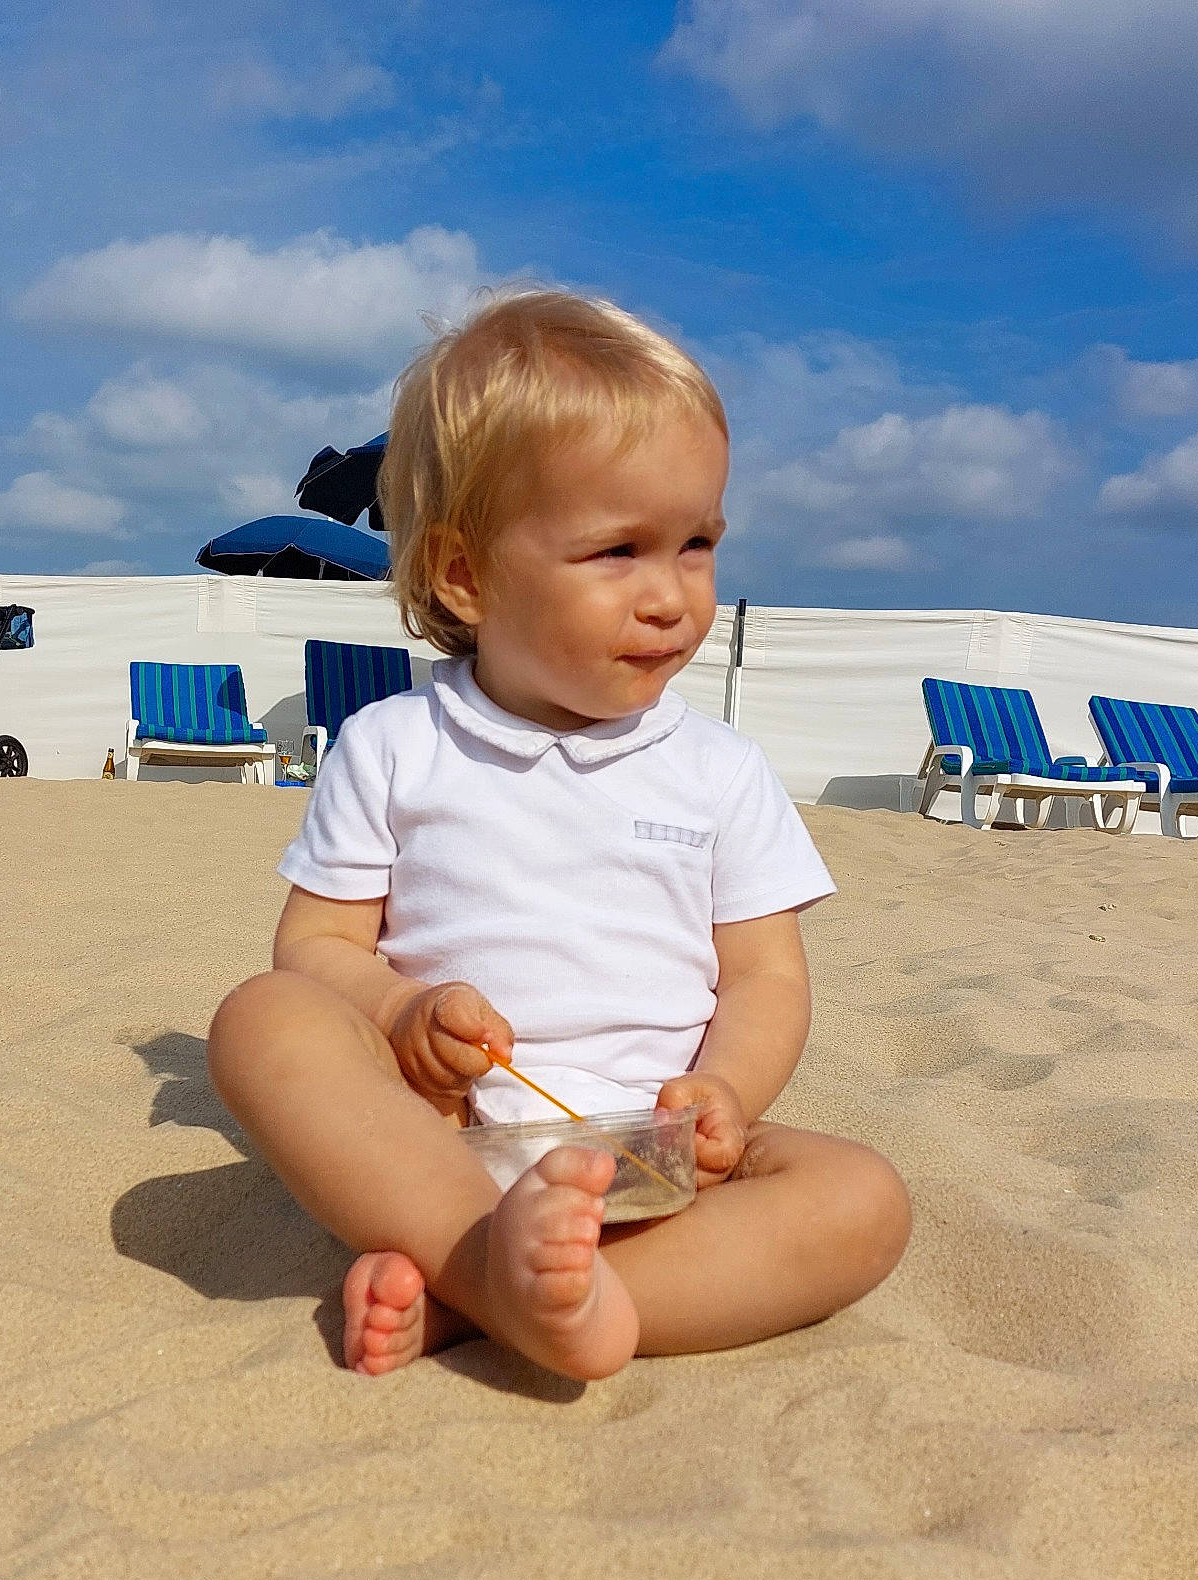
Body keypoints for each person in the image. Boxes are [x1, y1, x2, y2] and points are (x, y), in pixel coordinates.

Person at [207, 291, 910, 1381]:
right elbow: (314, 950)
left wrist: (724, 1092)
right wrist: (401, 1010)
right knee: (261, 1021)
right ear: (464, 577)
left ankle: (505, 1296)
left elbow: (764, 977)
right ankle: (488, 1264)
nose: (671, 597)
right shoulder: (395, 747)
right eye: (618, 550)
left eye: (695, 544)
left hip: (658, 1157)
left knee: (861, 1201)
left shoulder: (718, 771)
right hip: (437, 1151)